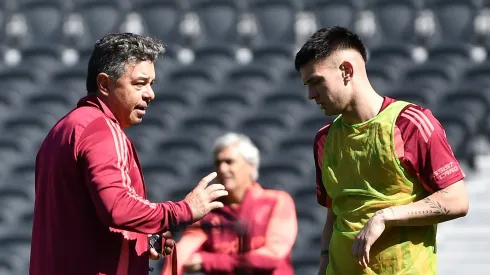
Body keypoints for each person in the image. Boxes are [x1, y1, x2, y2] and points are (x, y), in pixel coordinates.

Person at [29, 33, 228, 275]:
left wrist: (144, 237)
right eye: (139, 83)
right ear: (104, 84)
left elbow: (85, 218)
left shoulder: (60, 131)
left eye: (151, 84)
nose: (150, 94)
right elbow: (117, 207)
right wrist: (183, 210)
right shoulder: (101, 129)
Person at [294, 26, 470, 275]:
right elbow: (333, 216)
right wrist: (323, 266)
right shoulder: (324, 139)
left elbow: (457, 200)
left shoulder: (410, 123)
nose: (311, 95)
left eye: (316, 82)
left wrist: (386, 216)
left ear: (346, 70)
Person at [162, 133, 298, 275]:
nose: (222, 169)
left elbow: (272, 256)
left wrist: (209, 261)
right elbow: (183, 252)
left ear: (251, 166)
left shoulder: (276, 201)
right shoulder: (208, 210)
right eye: (218, 163)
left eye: (229, 162)